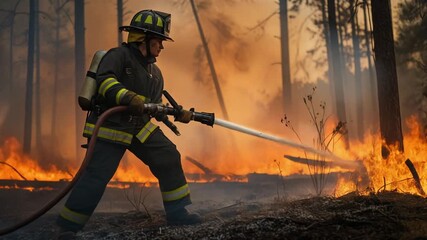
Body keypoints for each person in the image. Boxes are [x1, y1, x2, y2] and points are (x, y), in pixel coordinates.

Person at [55, 9, 200, 237]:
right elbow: (105, 81)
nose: (161, 47)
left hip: (138, 127)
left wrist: (177, 113)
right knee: (97, 176)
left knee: (168, 155)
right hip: (110, 126)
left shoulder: (155, 72)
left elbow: (154, 105)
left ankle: (177, 212)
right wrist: (127, 97)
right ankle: (68, 226)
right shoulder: (118, 56)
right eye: (159, 41)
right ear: (143, 38)